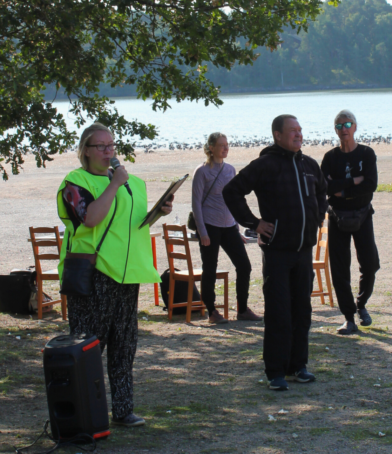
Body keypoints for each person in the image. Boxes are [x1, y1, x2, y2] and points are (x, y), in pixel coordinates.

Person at [57, 122, 173, 427]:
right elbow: (91, 219)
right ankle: (85, 414)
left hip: (127, 274)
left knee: (124, 344)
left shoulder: (132, 182)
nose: (109, 152)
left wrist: (159, 212)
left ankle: (123, 409)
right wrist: (113, 185)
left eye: (112, 145)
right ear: (86, 151)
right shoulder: (74, 182)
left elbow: (134, 226)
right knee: (89, 347)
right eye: (101, 146)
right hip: (92, 274)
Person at [222, 115, 327, 391]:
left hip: (304, 251)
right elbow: (231, 191)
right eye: (292, 131)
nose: (298, 135)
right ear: (277, 135)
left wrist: (317, 218)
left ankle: (298, 366)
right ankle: (276, 372)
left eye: (300, 130)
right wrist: (254, 224)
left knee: (302, 310)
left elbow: (321, 193)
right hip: (278, 252)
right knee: (279, 312)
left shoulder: (309, 165)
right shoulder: (265, 165)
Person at [321, 109, 380, 335]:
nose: (343, 130)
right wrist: (353, 181)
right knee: (339, 268)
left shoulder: (366, 154)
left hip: (363, 215)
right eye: (339, 126)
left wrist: (341, 189)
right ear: (335, 130)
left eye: (347, 125)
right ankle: (348, 317)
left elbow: (370, 185)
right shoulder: (330, 157)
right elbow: (324, 188)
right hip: (337, 217)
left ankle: (361, 305)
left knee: (370, 264)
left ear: (355, 127)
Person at [192, 132, 261, 324]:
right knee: (210, 269)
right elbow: (196, 204)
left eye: (227, 144)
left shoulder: (230, 170)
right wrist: (202, 232)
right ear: (211, 148)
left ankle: (242, 309)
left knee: (244, 266)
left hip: (229, 226)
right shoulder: (202, 171)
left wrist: (237, 229)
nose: (225, 148)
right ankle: (212, 311)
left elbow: (232, 201)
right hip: (209, 226)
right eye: (221, 145)